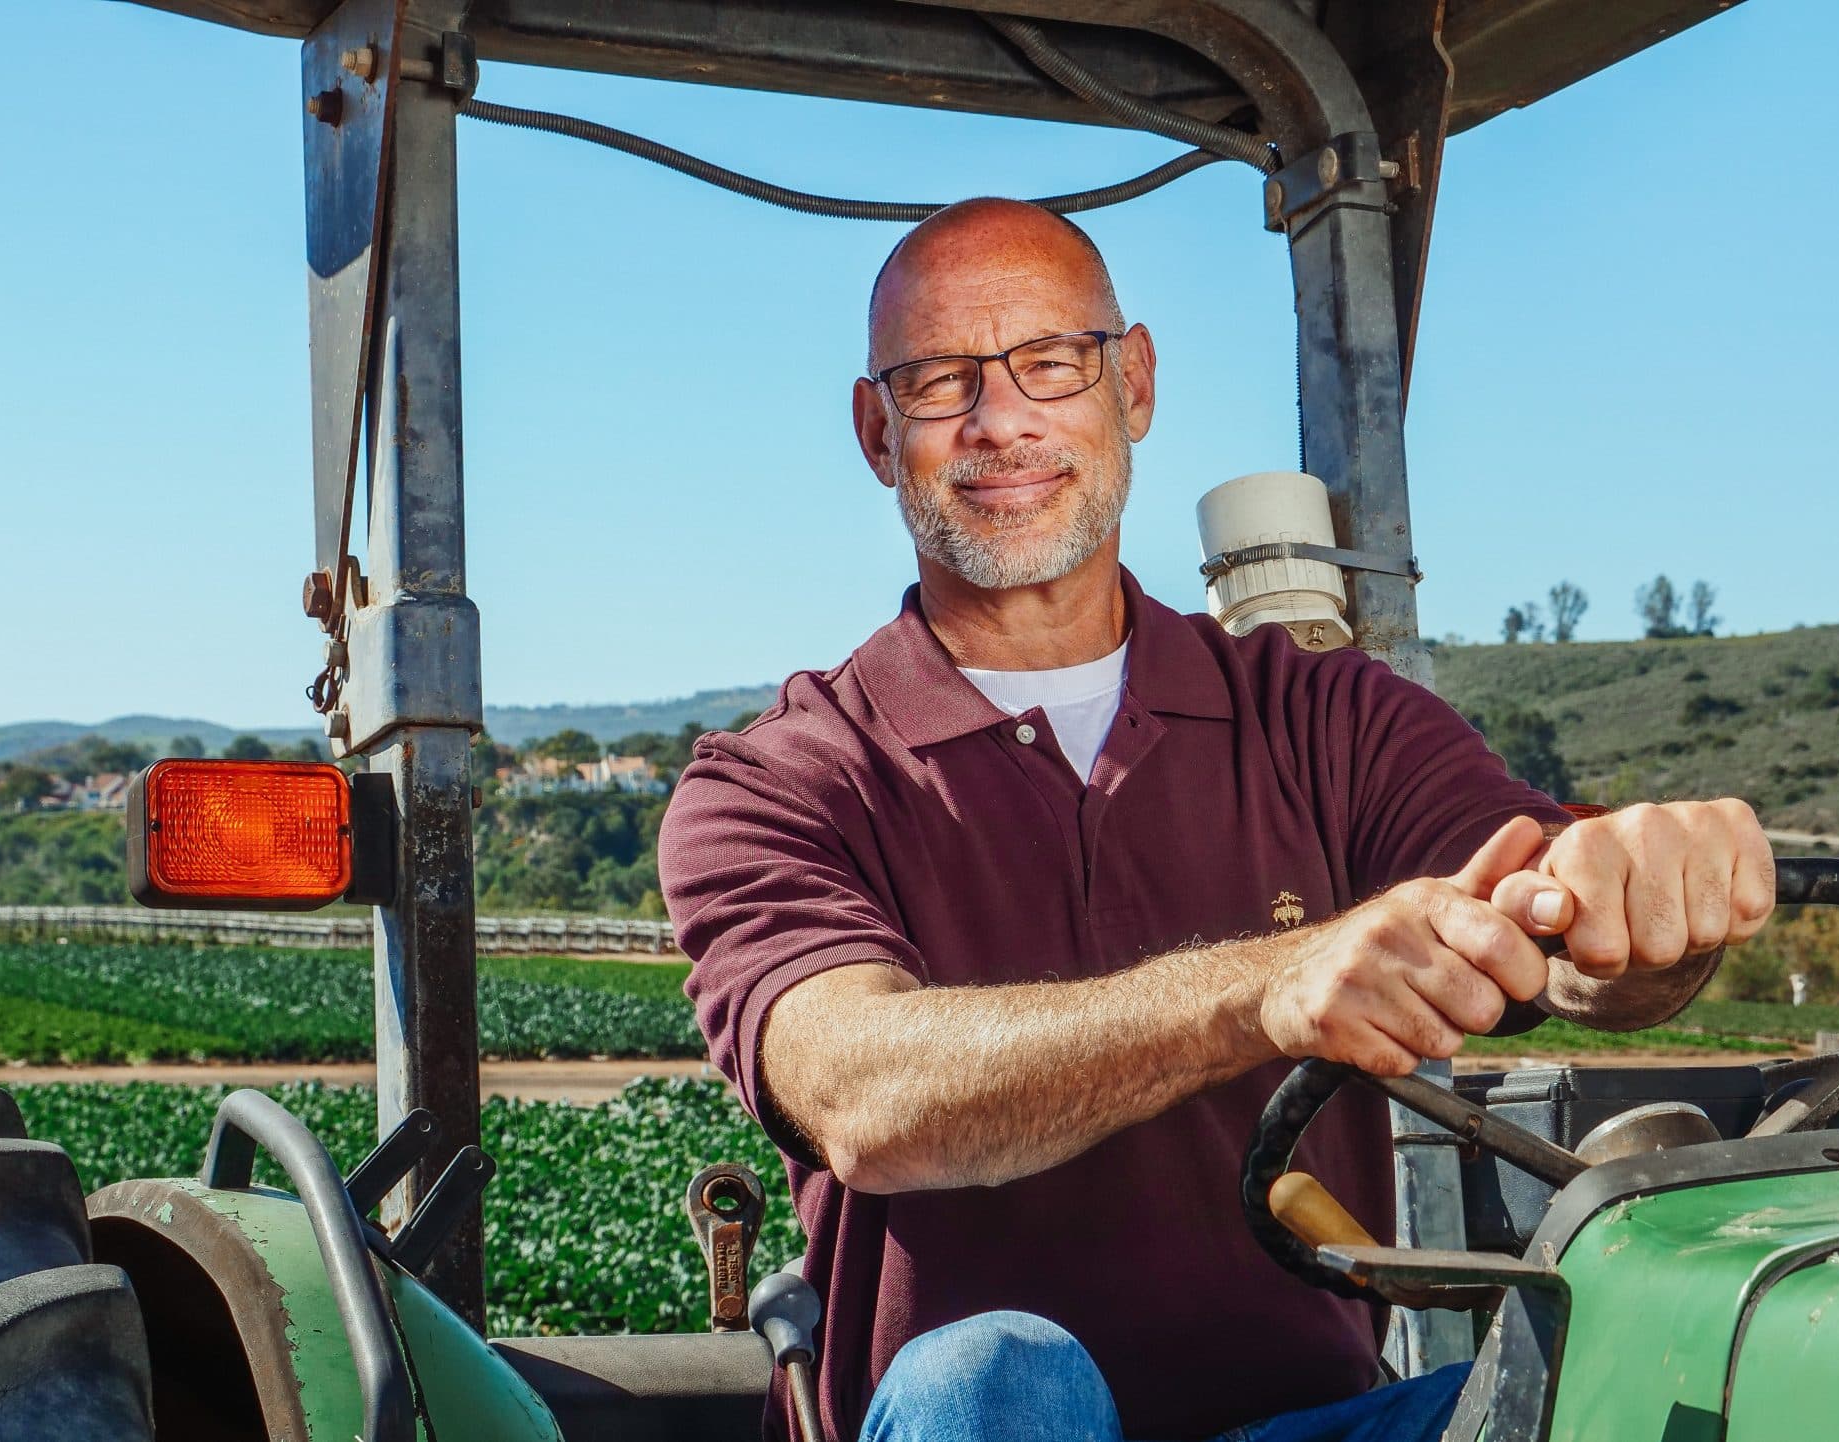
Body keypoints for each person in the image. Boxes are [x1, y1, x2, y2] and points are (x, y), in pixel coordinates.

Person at [659, 198, 1775, 1442]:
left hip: (1307, 1423)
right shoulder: (781, 777)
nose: (1002, 420)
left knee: (1627, 1390)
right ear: (878, 430)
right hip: (963, 1421)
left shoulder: (1326, 716)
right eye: (939, 383)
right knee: (995, 1372)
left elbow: (1543, 908)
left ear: (1130, 383)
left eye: (1049, 363)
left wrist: (1639, 899)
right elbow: (859, 1092)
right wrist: (1264, 989)